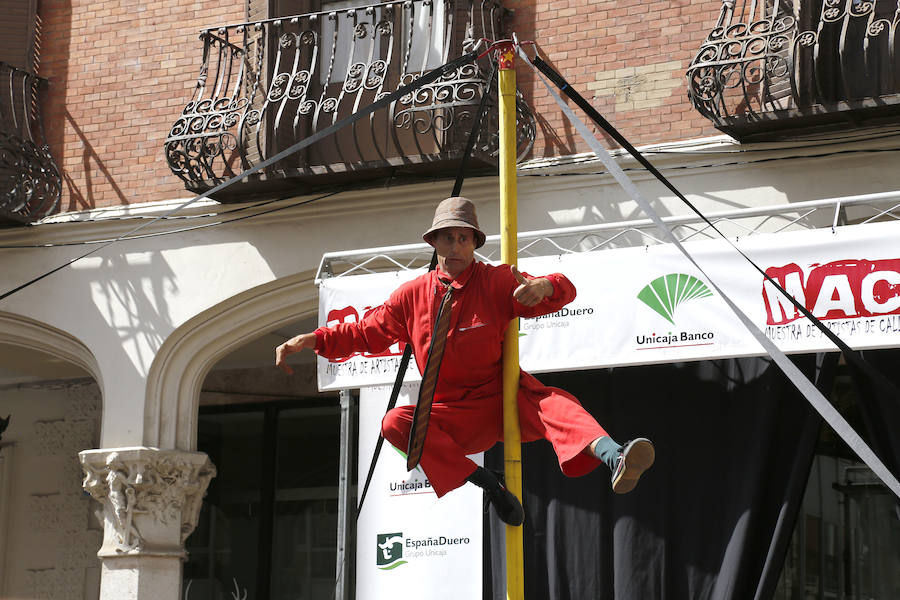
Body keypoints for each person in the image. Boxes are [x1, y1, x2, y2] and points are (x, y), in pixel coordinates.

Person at [275, 197, 654, 526]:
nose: (455, 245)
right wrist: (313, 339)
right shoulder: (411, 295)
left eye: (463, 237)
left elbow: (561, 288)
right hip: (451, 413)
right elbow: (363, 332)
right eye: (447, 237)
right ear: (434, 242)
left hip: (502, 397)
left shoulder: (496, 281)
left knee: (556, 402)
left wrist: (547, 286)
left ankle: (614, 455)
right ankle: (488, 483)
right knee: (395, 422)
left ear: (474, 243)